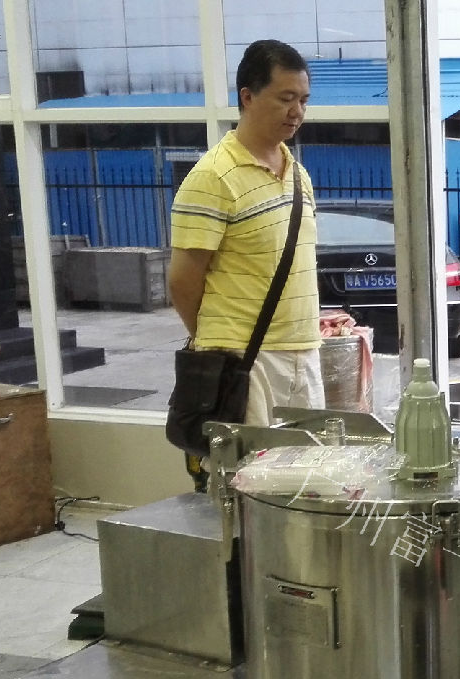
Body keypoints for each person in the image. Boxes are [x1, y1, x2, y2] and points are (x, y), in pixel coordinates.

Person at [169, 39, 324, 437]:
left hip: (302, 352)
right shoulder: (212, 177)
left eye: (304, 100)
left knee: (307, 479)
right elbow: (183, 281)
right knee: (253, 483)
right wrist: (219, 344)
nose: (297, 112)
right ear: (248, 97)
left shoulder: (297, 175)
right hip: (246, 359)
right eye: (286, 98)